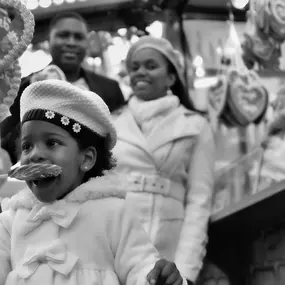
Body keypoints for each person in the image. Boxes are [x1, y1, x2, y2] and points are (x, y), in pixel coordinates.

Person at [0, 79, 186, 285]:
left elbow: (140, 266)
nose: (34, 155)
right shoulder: (11, 221)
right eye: (27, 146)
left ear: (87, 159)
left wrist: (158, 278)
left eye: (51, 143)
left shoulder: (113, 213)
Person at [111, 36, 215, 285]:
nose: (140, 73)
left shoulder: (196, 124)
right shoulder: (111, 123)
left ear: (171, 77)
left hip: (169, 246)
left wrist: (186, 269)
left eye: (150, 65)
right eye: (134, 67)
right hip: (116, 245)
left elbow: (199, 201)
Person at [1, 11, 125, 165]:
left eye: (78, 37)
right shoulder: (24, 87)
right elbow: (5, 143)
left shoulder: (110, 88)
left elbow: (123, 140)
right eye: (63, 35)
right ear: (49, 40)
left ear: (86, 42)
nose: (71, 42)